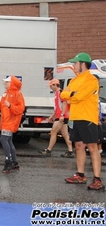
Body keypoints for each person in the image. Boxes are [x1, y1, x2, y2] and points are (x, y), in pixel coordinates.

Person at [61, 52, 104, 191]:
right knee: (78, 146)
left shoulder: (91, 80)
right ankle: (80, 175)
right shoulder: (74, 80)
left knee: (92, 147)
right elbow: (63, 94)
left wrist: (71, 95)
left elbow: (79, 97)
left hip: (88, 118)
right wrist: (72, 95)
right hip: (75, 117)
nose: (73, 66)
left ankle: (97, 179)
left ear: (82, 64)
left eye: (75, 63)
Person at [0, 76, 25, 173]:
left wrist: (10, 105)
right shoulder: (5, 94)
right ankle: (14, 163)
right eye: (5, 82)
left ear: (12, 83)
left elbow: (20, 109)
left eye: (7, 82)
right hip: (5, 122)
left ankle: (8, 162)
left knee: (3, 139)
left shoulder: (17, 94)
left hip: (11, 122)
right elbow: (0, 105)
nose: (5, 83)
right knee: (9, 141)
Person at [39, 78, 74, 158]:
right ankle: (70, 151)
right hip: (62, 116)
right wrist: (52, 116)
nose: (50, 87)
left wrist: (62, 115)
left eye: (51, 86)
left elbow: (64, 103)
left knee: (54, 132)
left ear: (55, 85)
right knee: (65, 134)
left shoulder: (60, 93)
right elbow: (57, 107)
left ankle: (49, 150)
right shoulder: (58, 93)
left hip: (61, 116)